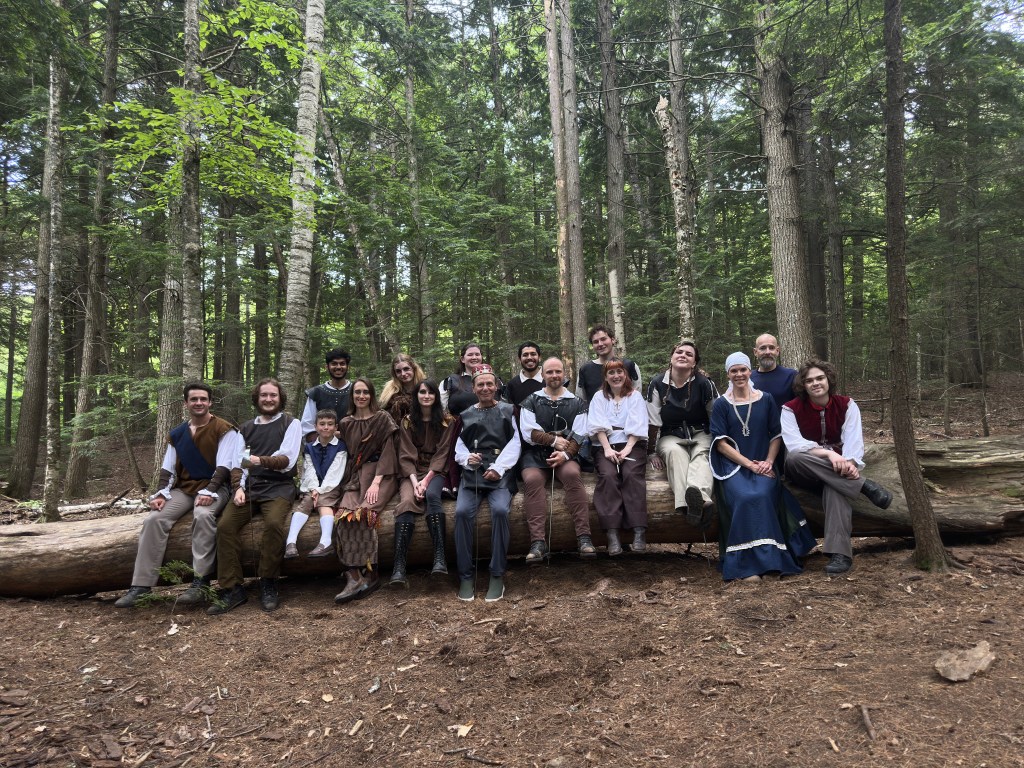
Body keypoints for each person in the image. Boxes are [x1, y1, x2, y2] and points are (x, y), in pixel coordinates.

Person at [116, 383, 240, 608]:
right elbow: (168, 469)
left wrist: (210, 491)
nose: (199, 403)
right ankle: (141, 585)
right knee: (154, 519)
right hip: (185, 489)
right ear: (186, 403)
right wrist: (161, 494)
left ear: (210, 402)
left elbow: (224, 466)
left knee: (203, 515)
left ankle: (201, 582)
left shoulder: (225, 429)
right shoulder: (177, 434)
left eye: (203, 399)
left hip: (216, 488)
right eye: (194, 399)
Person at [709, 353, 817, 581]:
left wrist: (768, 461)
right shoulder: (721, 404)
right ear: (728, 374)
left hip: (764, 463)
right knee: (745, 497)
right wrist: (749, 464)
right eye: (734, 371)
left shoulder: (766, 399)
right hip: (734, 468)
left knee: (763, 494)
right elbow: (720, 444)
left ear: (750, 371)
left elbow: (776, 434)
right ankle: (746, 565)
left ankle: (771, 561)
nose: (739, 374)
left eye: (743, 369)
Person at [781, 359, 894, 575]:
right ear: (803, 385)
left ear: (829, 380)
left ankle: (840, 554)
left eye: (820, 378)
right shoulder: (790, 409)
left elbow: (853, 440)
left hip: (837, 473)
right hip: (804, 470)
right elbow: (795, 444)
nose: (815, 383)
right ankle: (863, 486)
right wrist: (829, 454)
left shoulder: (847, 405)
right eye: (809, 380)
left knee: (835, 488)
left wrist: (850, 463)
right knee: (795, 457)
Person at [209, 379, 301, 614]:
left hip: (279, 487)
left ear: (280, 398)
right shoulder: (246, 428)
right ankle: (232, 588)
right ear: (257, 398)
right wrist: (238, 488)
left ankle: (268, 582)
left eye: (273, 395)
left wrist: (259, 460)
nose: (268, 399)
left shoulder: (291, 424)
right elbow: (238, 463)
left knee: (274, 524)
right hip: (250, 488)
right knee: (225, 526)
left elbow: (286, 461)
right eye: (264, 395)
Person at [453, 365, 521, 602]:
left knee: (500, 510)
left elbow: (515, 443)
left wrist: (498, 468)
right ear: (473, 388)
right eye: (480, 384)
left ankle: (497, 574)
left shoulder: (508, 410)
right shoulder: (465, 415)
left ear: (496, 386)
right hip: (472, 473)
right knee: (461, 513)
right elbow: (459, 447)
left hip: (500, 471)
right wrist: (467, 459)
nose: (485, 388)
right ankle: (465, 575)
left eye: (489, 384)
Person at [519, 357, 595, 562]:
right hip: (535, 454)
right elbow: (528, 432)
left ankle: (584, 537)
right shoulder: (531, 400)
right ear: (543, 375)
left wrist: (566, 454)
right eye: (550, 372)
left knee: (572, 474)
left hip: (567, 454)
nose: (554, 375)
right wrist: (553, 441)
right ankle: (538, 543)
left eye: (558, 372)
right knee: (532, 480)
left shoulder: (577, 403)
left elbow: (580, 434)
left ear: (564, 374)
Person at [333, 378, 400, 603]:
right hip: (355, 475)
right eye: (357, 392)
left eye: (365, 392)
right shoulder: (345, 423)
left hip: (382, 474)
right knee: (344, 516)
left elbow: (389, 452)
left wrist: (376, 482)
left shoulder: (382, 419)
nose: (361, 396)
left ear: (371, 395)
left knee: (365, 514)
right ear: (352, 396)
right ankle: (353, 576)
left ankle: (371, 574)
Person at [646, 340, 718, 527]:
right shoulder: (657, 383)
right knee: (675, 453)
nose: (683, 355)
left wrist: (720, 443)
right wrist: (651, 452)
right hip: (671, 434)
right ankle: (691, 504)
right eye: (679, 352)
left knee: (701, 454)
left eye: (689, 354)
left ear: (694, 363)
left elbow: (716, 415)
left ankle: (697, 499)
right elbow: (653, 421)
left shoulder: (704, 383)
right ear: (671, 357)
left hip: (701, 431)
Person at [391, 379, 456, 586]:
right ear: (416, 396)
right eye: (422, 392)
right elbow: (405, 454)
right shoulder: (408, 421)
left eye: (430, 392)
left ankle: (440, 558)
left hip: (435, 471)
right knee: (406, 503)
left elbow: (443, 453)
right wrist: (414, 482)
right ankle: (398, 567)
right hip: (411, 472)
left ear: (436, 396)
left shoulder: (447, 421)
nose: (426, 396)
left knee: (432, 496)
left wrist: (426, 480)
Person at [588, 359, 649, 555]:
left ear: (625, 374)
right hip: (605, 445)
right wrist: (607, 449)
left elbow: (638, 424)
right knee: (608, 476)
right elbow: (597, 424)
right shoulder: (599, 397)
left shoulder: (635, 396)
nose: (616, 376)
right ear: (606, 377)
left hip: (633, 444)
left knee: (631, 475)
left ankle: (638, 531)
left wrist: (628, 448)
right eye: (611, 373)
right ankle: (612, 533)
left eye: (619, 372)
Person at [283, 409, 347, 559]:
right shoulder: (310, 447)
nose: (326, 427)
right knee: (306, 502)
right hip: (313, 486)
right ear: (316, 427)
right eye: (322, 424)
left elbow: (335, 472)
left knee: (324, 502)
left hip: (331, 486)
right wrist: (313, 489)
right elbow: (309, 469)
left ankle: (325, 542)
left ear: (336, 427)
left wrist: (320, 490)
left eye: (330, 424)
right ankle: (290, 542)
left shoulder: (340, 447)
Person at [576, 324, 641, 404]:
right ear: (592, 346)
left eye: (603, 339)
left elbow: (637, 398)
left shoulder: (629, 366)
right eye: (595, 342)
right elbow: (581, 400)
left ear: (612, 340)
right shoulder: (585, 370)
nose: (600, 344)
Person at [301, 348, 353, 441]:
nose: (338, 367)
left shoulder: (356, 392)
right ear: (327, 367)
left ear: (348, 367)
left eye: (342, 363)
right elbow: (307, 428)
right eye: (334, 363)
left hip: (352, 446)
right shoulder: (316, 393)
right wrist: (328, 437)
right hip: (322, 447)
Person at [441, 342, 503, 416]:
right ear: (462, 359)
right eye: (470, 355)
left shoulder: (496, 381)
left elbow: (504, 407)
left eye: (477, 354)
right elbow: (440, 409)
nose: (474, 357)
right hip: (460, 423)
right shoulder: (450, 381)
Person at [749, 334, 797, 418]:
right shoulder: (748, 378)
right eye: (762, 348)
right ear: (755, 352)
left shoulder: (791, 376)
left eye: (771, 348)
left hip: (784, 426)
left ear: (777, 351)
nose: (767, 352)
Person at [379, 353, 426, 424]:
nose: (403, 374)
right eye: (398, 371)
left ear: (414, 368)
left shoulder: (425, 387)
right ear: (395, 374)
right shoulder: (389, 394)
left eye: (406, 369)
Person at [503, 341, 544, 407]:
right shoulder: (512, 385)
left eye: (533, 354)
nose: (529, 357)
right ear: (519, 359)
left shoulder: (549, 380)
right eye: (525, 355)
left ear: (539, 358)